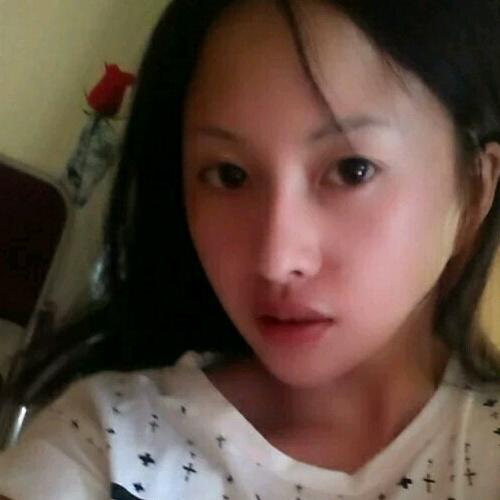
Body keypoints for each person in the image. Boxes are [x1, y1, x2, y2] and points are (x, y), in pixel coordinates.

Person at [0, 0, 499, 498]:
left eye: (353, 171)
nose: (276, 260)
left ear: (475, 189)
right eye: (229, 174)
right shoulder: (103, 442)